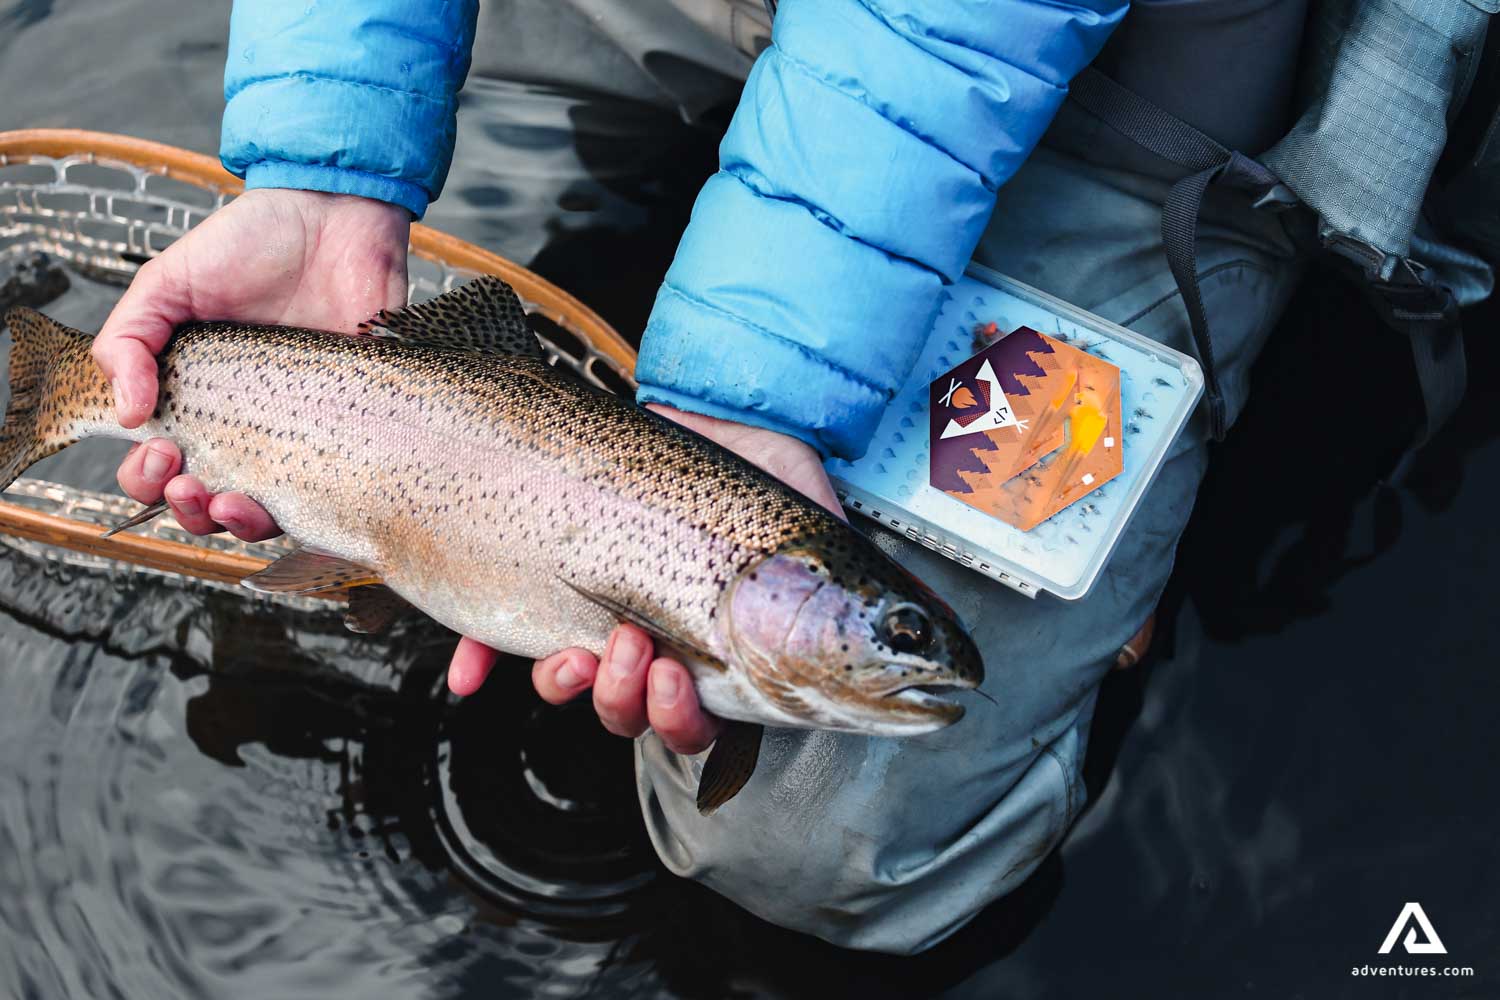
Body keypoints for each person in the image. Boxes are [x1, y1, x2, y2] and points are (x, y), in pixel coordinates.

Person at [90, 0, 1310, 953]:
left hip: (1103, 95)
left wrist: (748, 400)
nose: (894, 641)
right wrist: (324, 160)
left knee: (820, 838)